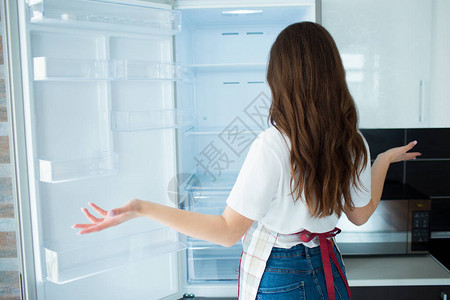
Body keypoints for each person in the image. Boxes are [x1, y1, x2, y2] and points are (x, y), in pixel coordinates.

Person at [73, 22, 421, 299]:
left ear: (280, 79)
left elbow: (227, 232)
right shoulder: (352, 140)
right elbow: (358, 215)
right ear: (334, 74)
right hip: (328, 267)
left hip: (281, 272)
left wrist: (141, 208)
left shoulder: (272, 145)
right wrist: (383, 161)